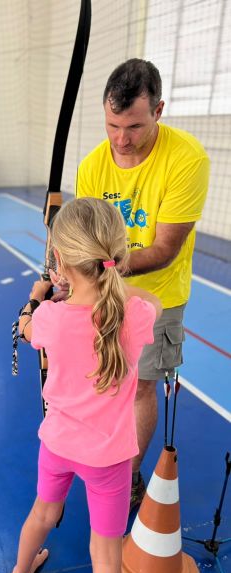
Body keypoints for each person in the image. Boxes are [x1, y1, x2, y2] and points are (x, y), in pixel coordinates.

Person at [9, 197, 161, 573]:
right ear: (115, 257)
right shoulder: (134, 315)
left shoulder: (51, 318)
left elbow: (25, 327)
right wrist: (107, 283)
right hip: (109, 459)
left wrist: (38, 296)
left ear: (58, 260)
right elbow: (152, 301)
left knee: (42, 513)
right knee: (106, 559)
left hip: (56, 445)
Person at [76, 59, 210, 510]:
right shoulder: (93, 165)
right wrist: (73, 266)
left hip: (159, 297)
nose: (121, 139)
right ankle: (104, 454)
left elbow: (165, 249)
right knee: (101, 381)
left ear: (158, 110)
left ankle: (126, 474)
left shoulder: (186, 159)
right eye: (112, 125)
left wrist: (100, 266)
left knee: (141, 388)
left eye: (133, 126)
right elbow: (87, 233)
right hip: (106, 289)